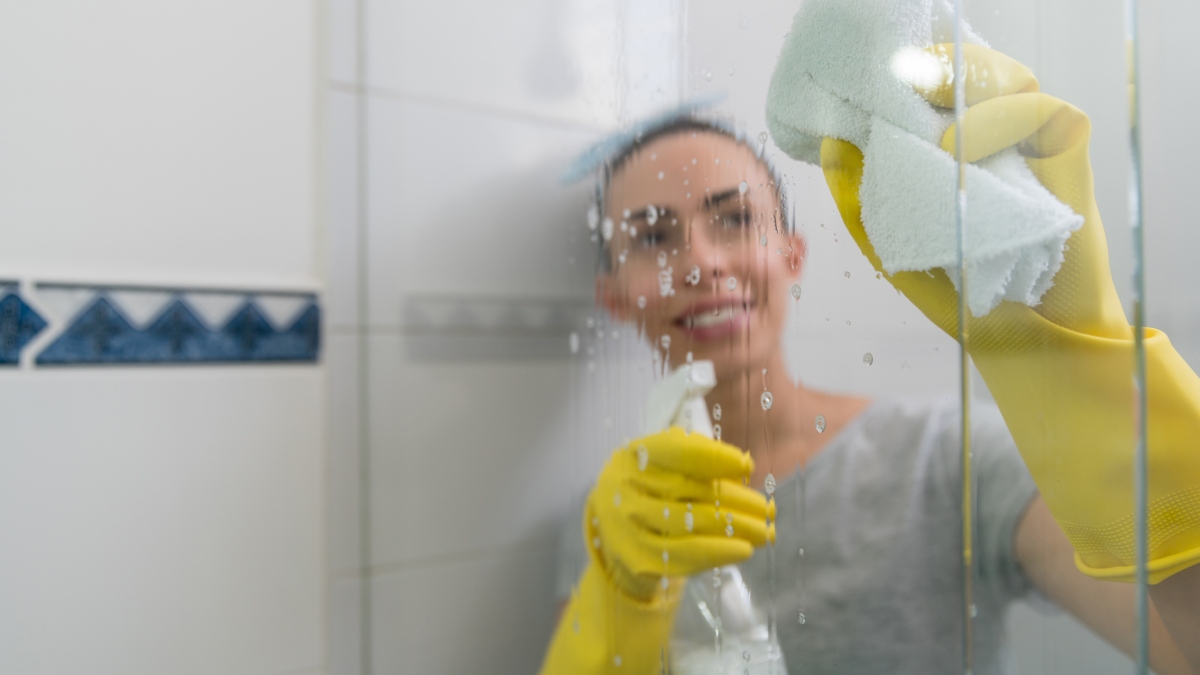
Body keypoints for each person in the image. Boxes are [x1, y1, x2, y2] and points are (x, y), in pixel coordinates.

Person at [540, 48, 1200, 675]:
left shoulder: (948, 457)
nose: (703, 263)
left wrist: (1088, 372)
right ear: (615, 297)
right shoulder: (616, 513)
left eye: (735, 219)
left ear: (792, 256)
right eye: (654, 236)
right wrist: (618, 590)